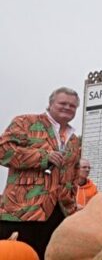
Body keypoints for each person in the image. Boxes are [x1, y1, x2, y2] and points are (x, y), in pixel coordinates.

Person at [0, 87, 81, 259]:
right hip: (23, 210)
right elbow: (3, 151)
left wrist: (72, 206)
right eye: (62, 103)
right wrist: (43, 157)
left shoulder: (74, 139)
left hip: (60, 214)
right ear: (51, 104)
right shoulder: (26, 122)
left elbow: (73, 174)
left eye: (72, 106)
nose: (67, 108)